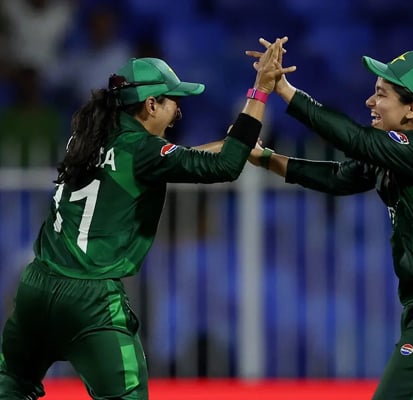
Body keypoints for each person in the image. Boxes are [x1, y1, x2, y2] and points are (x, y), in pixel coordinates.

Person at [0, 38, 293, 399]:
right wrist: (260, 92)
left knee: (12, 385)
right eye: (174, 103)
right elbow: (225, 167)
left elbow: (158, 160)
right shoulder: (142, 150)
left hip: (36, 287)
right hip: (89, 298)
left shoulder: (86, 138)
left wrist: (227, 143)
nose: (179, 114)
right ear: (150, 104)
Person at [246, 40, 413, 399]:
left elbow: (354, 140)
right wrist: (264, 158)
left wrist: (284, 89)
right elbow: (340, 176)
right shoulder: (408, 151)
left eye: (381, 94)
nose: (370, 102)